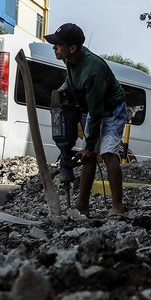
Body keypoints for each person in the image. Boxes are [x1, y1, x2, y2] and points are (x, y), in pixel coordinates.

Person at [45, 22, 127, 218]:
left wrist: (90, 145)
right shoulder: (69, 58)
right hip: (95, 108)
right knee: (87, 157)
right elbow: (71, 79)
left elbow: (97, 112)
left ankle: (117, 207)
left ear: (72, 48)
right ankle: (82, 207)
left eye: (58, 44)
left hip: (112, 109)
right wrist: (62, 91)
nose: (54, 47)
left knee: (107, 153)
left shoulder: (93, 71)